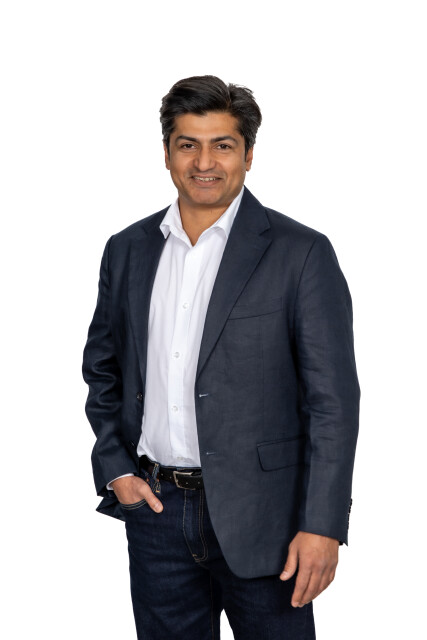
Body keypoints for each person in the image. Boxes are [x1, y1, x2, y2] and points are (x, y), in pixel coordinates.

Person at [82, 75, 360, 640]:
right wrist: (117, 470)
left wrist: (323, 524)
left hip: (269, 521)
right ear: (166, 153)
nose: (204, 162)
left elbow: (332, 403)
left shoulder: (301, 253)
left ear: (249, 155)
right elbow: (103, 369)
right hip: (156, 514)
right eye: (188, 144)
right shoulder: (127, 249)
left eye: (223, 145)